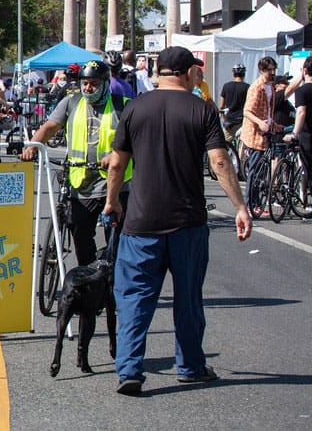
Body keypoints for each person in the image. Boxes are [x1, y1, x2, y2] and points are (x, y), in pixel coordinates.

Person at [103, 46, 251, 395]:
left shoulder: (135, 108)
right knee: (188, 297)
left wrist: (113, 203)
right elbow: (219, 162)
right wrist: (240, 207)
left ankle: (129, 371)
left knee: (135, 298)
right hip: (187, 222)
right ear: (187, 73)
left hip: (141, 222)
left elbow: (116, 164)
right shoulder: (202, 110)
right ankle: (190, 365)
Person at [22, 60, 130, 266]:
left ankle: (113, 284)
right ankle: (88, 278)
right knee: (80, 235)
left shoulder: (122, 105)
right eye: (85, 83)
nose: (88, 88)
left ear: (106, 83)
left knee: (116, 241)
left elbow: (136, 138)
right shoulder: (71, 102)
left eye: (94, 83)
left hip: (114, 185)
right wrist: (32, 147)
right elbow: (50, 127)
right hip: (82, 184)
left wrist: (115, 156)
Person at [240, 56, 278, 213]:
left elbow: (267, 111)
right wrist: (260, 123)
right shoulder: (257, 87)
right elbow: (247, 111)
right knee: (255, 170)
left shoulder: (270, 86)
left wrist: (274, 124)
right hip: (255, 134)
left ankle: (257, 204)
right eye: (269, 70)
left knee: (262, 171)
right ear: (262, 70)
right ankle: (250, 204)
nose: (272, 72)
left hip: (266, 132)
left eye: (273, 69)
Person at [284, 57, 312, 171]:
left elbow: (301, 112)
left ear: (304, 71)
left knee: (308, 169)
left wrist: (295, 133)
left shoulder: (302, 90)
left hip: (307, 134)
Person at [219, 64, 249, 139]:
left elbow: (222, 106)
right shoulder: (247, 87)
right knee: (241, 146)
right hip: (241, 121)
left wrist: (224, 117)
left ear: (233, 74)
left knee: (224, 145)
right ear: (244, 74)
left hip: (229, 121)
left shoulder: (226, 86)